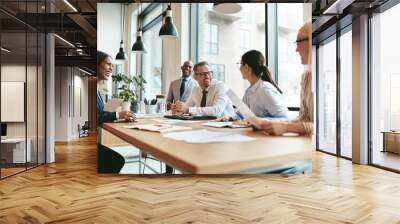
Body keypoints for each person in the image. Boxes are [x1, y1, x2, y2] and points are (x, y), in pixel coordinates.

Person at [255, 22, 313, 136]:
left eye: (298, 43)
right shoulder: (306, 77)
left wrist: (286, 127)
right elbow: (303, 118)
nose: (296, 49)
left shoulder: (329, 76)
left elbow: (326, 128)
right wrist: (268, 123)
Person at [97, 51, 135, 173]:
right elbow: (94, 117)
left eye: (112, 66)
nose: (111, 68)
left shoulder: (97, 88)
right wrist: (118, 114)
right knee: (117, 161)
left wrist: (120, 117)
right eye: (108, 64)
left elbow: (99, 114)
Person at [171, 61, 235, 118]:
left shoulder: (221, 86)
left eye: (209, 73)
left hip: (226, 126)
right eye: (203, 74)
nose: (207, 76)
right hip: (206, 125)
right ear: (195, 77)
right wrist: (178, 109)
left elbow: (217, 111)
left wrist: (188, 109)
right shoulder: (195, 90)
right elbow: (186, 106)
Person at [239, 50, 288, 119]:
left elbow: (284, 117)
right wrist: (231, 117)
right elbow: (242, 114)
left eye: (240, 64)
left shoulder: (265, 90)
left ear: (247, 67)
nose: (239, 68)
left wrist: (260, 121)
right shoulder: (249, 91)